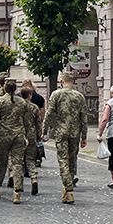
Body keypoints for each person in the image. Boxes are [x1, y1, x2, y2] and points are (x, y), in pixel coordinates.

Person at [44, 72, 87, 204]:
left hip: (61, 132)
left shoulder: (56, 94)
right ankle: (69, 185)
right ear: (72, 82)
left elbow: (49, 113)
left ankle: (68, 189)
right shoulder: (79, 96)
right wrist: (84, 136)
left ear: (61, 81)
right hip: (75, 133)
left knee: (63, 160)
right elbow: (83, 118)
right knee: (72, 160)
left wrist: (44, 130)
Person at [0, 80, 33, 204]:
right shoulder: (22, 103)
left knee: (1, 163)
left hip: (3, 136)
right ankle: (17, 192)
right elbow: (27, 122)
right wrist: (27, 135)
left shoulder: (0, 102)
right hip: (18, 135)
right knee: (17, 164)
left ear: (5, 88)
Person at [19, 85, 42, 195]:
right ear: (30, 95)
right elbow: (38, 123)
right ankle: (34, 179)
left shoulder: (18, 106)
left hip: (19, 135)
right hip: (31, 135)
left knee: (18, 161)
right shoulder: (34, 107)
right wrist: (39, 136)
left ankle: (19, 185)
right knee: (30, 160)